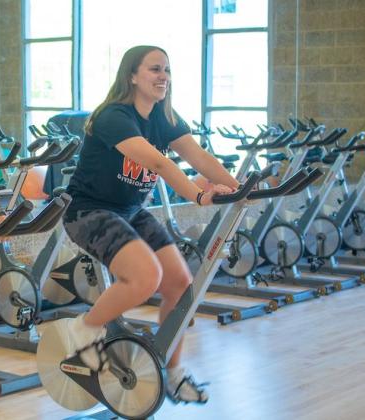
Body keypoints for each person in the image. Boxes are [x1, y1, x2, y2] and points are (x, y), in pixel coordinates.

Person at [62, 45, 240, 405]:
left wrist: (241, 189)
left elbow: (198, 156)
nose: (164, 77)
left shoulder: (163, 116)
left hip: (129, 210)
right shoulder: (115, 116)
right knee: (145, 278)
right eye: (155, 69)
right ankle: (84, 333)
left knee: (179, 282)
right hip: (89, 211)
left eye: (167, 70)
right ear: (132, 75)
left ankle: (172, 372)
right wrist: (197, 195)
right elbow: (159, 164)